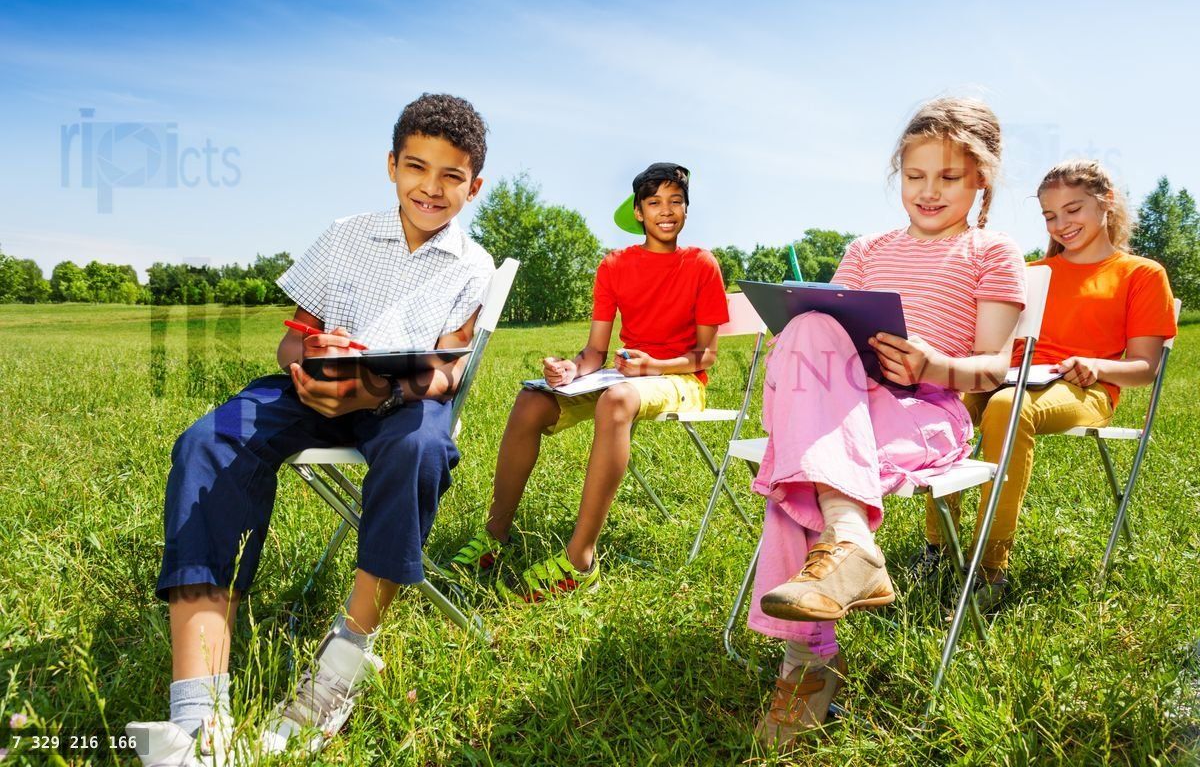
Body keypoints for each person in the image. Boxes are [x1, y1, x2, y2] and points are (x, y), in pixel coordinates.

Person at [126, 93, 496, 765]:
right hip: (309, 388)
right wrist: (314, 363)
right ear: (391, 166)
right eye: (417, 167)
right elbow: (291, 341)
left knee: (422, 447)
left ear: (474, 186)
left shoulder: (473, 265)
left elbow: (446, 371)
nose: (431, 188)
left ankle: (342, 666)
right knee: (209, 439)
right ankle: (198, 711)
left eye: (451, 176)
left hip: (400, 399)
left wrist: (376, 386)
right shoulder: (344, 235)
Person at [748, 98, 1027, 749]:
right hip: (842, 400)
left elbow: (993, 368)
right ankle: (849, 542)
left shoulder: (991, 252)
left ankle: (806, 665)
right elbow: (825, 329)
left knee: (804, 460)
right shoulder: (867, 250)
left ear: (981, 179)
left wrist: (935, 365)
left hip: (927, 410)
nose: (928, 191)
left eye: (948, 177)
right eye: (914, 175)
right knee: (808, 330)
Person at [448, 163, 729, 601]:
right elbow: (595, 352)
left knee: (616, 399)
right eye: (655, 202)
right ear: (638, 212)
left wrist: (654, 366)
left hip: (681, 378)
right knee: (531, 401)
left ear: (686, 211)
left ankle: (580, 562)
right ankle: (495, 535)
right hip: (627, 375)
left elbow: (706, 356)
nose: (666, 210)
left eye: (676, 202)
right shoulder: (615, 265)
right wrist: (569, 369)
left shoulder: (701, 264)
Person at [916, 159, 1177, 606]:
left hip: (1086, 389)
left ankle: (989, 567)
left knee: (1008, 407)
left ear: (1106, 203)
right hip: (1012, 375)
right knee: (945, 399)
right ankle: (939, 546)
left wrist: (1096, 366)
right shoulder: (1030, 272)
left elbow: (1144, 367)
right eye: (1050, 216)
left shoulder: (1140, 273)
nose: (1062, 225)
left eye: (1073, 210)